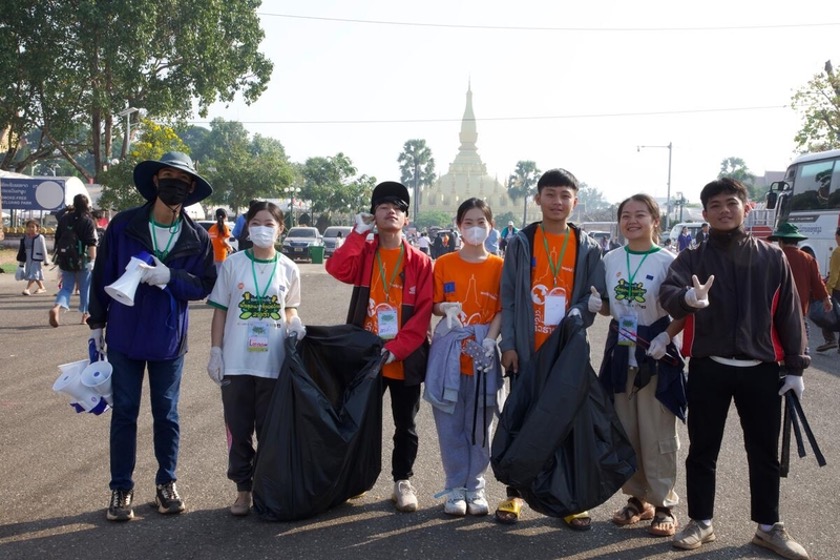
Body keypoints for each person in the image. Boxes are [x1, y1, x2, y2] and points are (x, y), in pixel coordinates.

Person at [660, 178, 810, 560]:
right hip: (709, 366)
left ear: (747, 206)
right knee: (702, 449)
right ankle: (701, 522)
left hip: (761, 369)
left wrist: (796, 367)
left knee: (763, 451)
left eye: (731, 203)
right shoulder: (693, 257)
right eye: (715, 205)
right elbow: (668, 295)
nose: (724, 210)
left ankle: (767, 527)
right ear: (705, 213)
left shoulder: (772, 256)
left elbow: (790, 314)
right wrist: (688, 299)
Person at [87, 151, 216, 522]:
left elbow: (203, 286)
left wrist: (170, 278)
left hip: (168, 339)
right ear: (155, 181)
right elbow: (102, 274)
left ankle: (166, 482)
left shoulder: (197, 237)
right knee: (125, 413)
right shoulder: (124, 225)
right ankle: (120, 488)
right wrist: (97, 324)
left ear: (190, 189)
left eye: (183, 180)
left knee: (167, 414)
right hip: (125, 336)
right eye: (168, 176)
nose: (175, 183)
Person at [496, 168, 605, 531]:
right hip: (528, 350)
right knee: (523, 420)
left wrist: (588, 311)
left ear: (575, 201)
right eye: (551, 194)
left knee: (568, 424)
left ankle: (570, 500)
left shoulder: (587, 246)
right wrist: (508, 344)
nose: (558, 202)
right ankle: (516, 493)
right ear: (538, 198)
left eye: (565, 195)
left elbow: (596, 298)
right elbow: (509, 298)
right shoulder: (522, 242)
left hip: (568, 353)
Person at [325, 181, 433, 513]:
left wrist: (396, 349)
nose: (391, 211)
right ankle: (353, 479)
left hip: (404, 356)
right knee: (357, 420)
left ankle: (403, 481)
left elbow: (423, 315)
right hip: (365, 355)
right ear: (374, 215)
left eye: (398, 207)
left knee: (406, 424)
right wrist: (357, 234)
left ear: (406, 219)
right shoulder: (364, 253)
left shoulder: (421, 262)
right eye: (383, 206)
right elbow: (335, 268)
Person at [589, 193, 686, 538]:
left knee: (658, 432)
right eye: (626, 215)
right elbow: (607, 307)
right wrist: (598, 304)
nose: (632, 220)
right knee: (626, 430)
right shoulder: (610, 259)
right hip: (620, 353)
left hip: (656, 355)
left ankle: (664, 504)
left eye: (640, 214)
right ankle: (637, 499)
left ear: (655, 221)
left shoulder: (668, 260)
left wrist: (667, 338)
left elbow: (684, 307)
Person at [206, 201, 304, 516]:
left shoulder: (289, 267)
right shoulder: (233, 264)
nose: (262, 228)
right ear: (248, 228)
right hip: (236, 360)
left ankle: (264, 486)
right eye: (256, 223)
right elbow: (220, 311)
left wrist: (294, 323)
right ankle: (242, 489)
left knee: (269, 430)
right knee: (238, 429)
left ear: (280, 229)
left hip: (272, 363)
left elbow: (289, 308)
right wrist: (216, 350)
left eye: (269, 223)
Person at [425, 198, 504, 517]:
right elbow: (433, 304)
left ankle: (476, 486)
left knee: (480, 422)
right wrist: (444, 309)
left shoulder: (500, 265)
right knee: (450, 422)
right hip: (450, 353)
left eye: (481, 222)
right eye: (468, 222)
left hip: (483, 351)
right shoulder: (443, 263)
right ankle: (455, 486)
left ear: (491, 226)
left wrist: (490, 339)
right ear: (458, 226)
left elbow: (502, 308)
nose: (475, 228)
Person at [768, 222, 832, 354]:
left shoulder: (774, 257)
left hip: (776, 310)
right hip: (800, 311)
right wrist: (826, 299)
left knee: (777, 343)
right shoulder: (808, 258)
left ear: (780, 241)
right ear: (797, 241)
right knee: (800, 346)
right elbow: (817, 283)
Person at [49, 194, 97, 327]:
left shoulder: (65, 219)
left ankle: (57, 308)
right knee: (85, 288)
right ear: (87, 204)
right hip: (83, 259)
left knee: (66, 287)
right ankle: (85, 316)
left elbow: (58, 237)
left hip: (66, 258)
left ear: (74, 204)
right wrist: (93, 260)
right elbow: (91, 242)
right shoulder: (87, 221)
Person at [818, 227, 840, 352]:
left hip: (837, 289)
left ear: (838, 236)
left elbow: (835, 274)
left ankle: (830, 339)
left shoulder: (837, 252)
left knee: (826, 313)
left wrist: (828, 290)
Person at [18, 220, 48, 295]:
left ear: (37, 228)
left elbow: (44, 249)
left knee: (34, 272)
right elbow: (22, 249)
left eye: (33, 227)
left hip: (36, 258)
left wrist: (46, 260)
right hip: (28, 257)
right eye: (28, 227)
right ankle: (42, 287)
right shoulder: (25, 237)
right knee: (33, 272)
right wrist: (21, 260)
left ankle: (27, 289)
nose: (30, 228)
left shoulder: (40, 237)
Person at [208, 208, 233, 272]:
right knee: (221, 275)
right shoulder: (225, 227)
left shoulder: (212, 228)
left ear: (216, 217)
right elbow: (223, 241)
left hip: (212, 256)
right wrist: (229, 247)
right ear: (225, 216)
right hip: (221, 255)